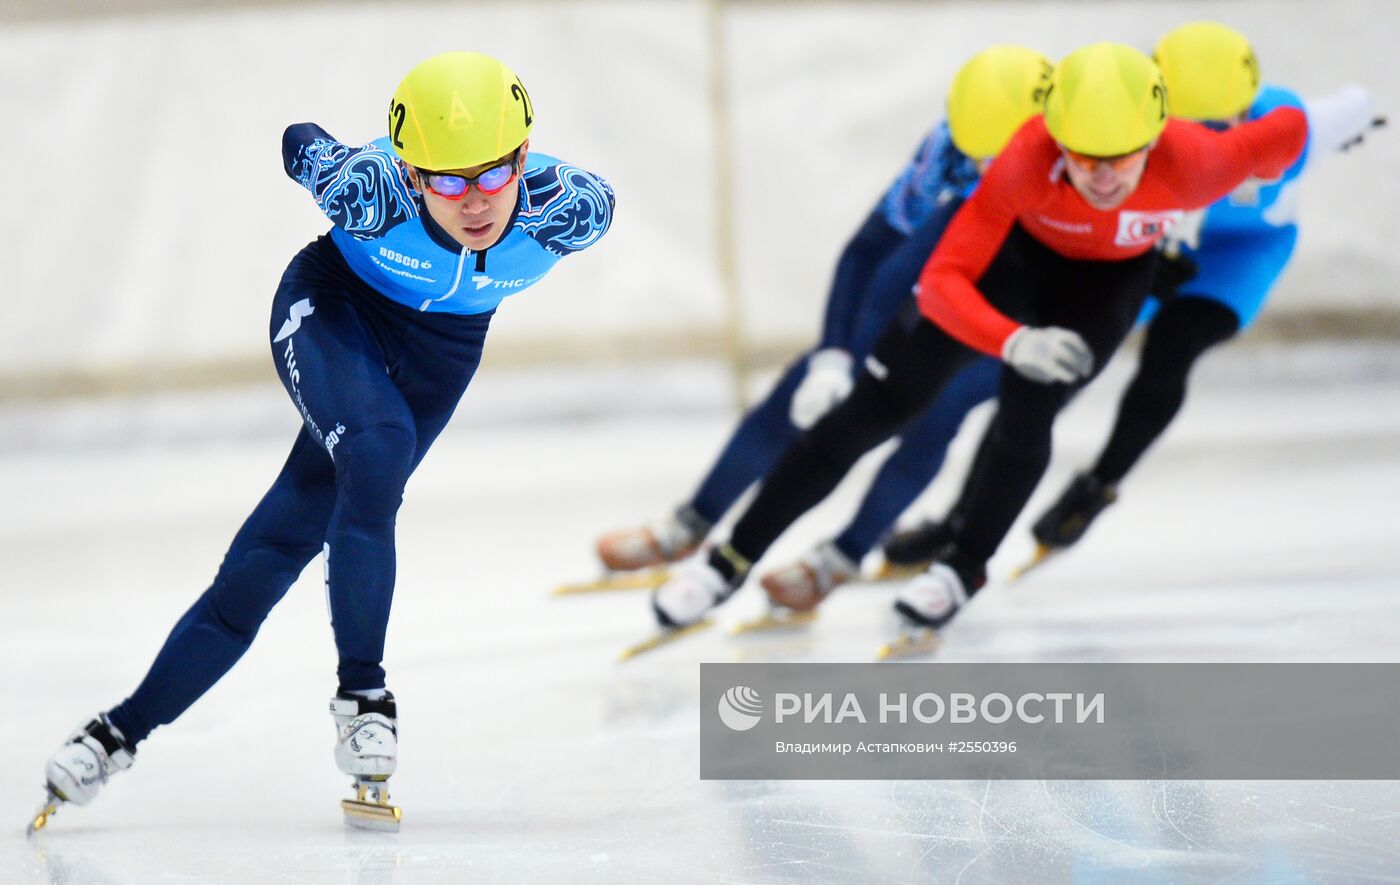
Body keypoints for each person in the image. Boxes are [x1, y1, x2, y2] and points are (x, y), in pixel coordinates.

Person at [30, 51, 615, 833]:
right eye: (445, 179)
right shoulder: (369, 192)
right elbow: (296, 138)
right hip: (334, 311)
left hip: (441, 355)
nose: (474, 200)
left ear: (522, 156)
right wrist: (328, 157)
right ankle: (364, 694)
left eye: (492, 174)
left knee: (273, 552)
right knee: (376, 453)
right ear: (410, 174)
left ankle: (114, 733)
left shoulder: (571, 208)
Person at [649, 42, 1307, 636]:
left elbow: (1291, 127)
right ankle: (728, 559)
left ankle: (963, 566)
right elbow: (941, 283)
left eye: (1122, 157)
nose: (1103, 178)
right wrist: (1012, 338)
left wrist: (1267, 169)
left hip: (1105, 286)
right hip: (1019, 261)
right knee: (880, 403)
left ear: (1156, 135)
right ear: (1055, 135)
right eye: (1083, 156)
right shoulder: (1025, 156)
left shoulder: (1200, 161)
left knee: (1031, 408)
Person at [883, 21, 1380, 573]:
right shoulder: (1134, 143)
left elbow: (1354, 103)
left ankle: (1099, 485)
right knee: (1047, 382)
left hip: (1243, 250)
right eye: (1190, 126)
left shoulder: (1291, 128)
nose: (1208, 135)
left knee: (1175, 345)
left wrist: (1356, 126)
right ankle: (962, 519)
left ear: (1249, 110)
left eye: (1224, 122)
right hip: (1147, 247)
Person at [594, 46, 1051, 599]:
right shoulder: (950, 148)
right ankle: (693, 522)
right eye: (977, 157)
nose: (984, 172)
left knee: (937, 414)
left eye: (998, 161)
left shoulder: (1075, 172)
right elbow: (867, 250)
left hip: (1018, 307)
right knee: (805, 389)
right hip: (943, 284)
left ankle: (845, 553)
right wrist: (834, 356)